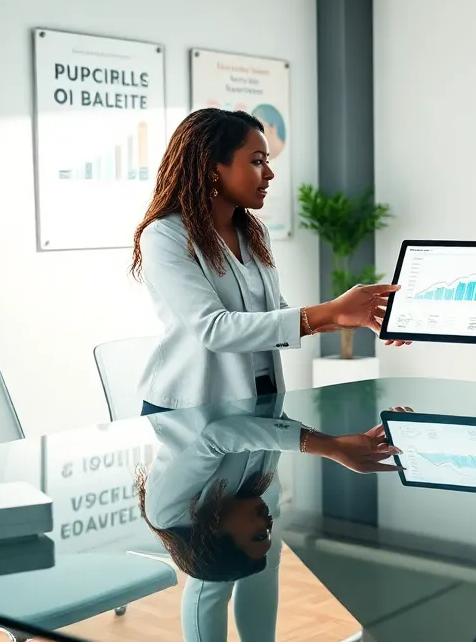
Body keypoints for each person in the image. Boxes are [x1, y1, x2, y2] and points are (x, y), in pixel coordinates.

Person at [131, 108, 399, 415]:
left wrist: (346, 317)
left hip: (262, 400)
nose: (269, 173)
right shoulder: (165, 236)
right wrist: (332, 311)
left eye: (267, 161)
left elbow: (274, 315)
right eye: (257, 161)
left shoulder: (254, 231)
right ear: (212, 168)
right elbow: (215, 329)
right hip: (189, 412)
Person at [137, 401, 406, 642]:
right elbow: (271, 426)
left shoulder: (169, 513)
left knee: (226, 577)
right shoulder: (253, 502)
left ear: (214, 535)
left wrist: (333, 447)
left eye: (259, 533)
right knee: (253, 568)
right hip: (247, 480)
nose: (268, 522)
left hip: (216, 400)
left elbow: (217, 437)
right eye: (265, 532)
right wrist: (347, 445)